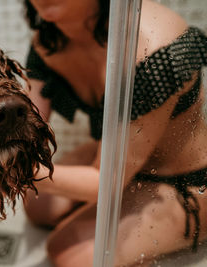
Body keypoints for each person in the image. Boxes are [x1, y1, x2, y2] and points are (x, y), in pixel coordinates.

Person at [22, 0, 207, 266]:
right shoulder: (49, 40)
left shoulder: (153, 48)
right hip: (117, 161)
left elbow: (103, 181)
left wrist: (14, 170)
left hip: (183, 180)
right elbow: (27, 130)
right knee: (38, 205)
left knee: (70, 253)